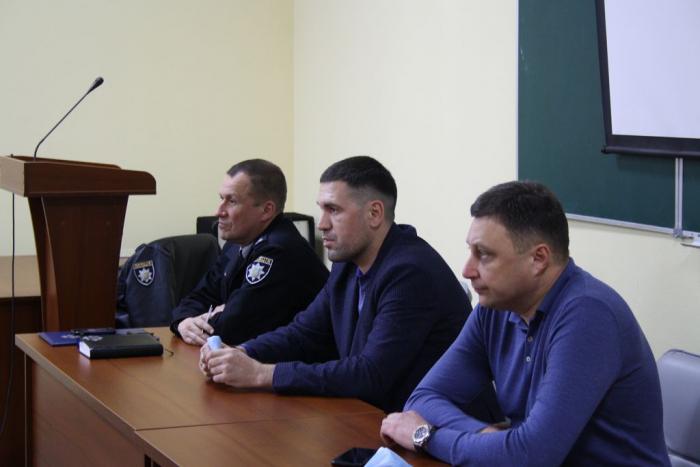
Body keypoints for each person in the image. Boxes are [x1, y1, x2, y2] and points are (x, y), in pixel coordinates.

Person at [380, 181, 670, 466]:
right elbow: (423, 399)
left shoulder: (588, 315)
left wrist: (425, 436)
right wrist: (489, 439)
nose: (467, 270)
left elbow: (532, 457)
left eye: (484, 255)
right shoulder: (495, 308)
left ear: (538, 259)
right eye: (470, 251)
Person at [198, 156, 499, 415]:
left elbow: (371, 374)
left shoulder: (410, 272)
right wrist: (241, 352)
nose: (322, 223)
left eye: (334, 210)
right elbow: (304, 333)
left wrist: (262, 374)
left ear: (374, 213)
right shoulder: (347, 264)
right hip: (377, 420)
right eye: (322, 209)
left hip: (443, 435)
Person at [170, 159, 329, 346]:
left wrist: (216, 315)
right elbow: (199, 296)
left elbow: (230, 328)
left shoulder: (280, 251)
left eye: (232, 201)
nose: (218, 211)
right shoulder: (236, 243)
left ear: (266, 210)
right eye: (221, 199)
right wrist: (184, 321)